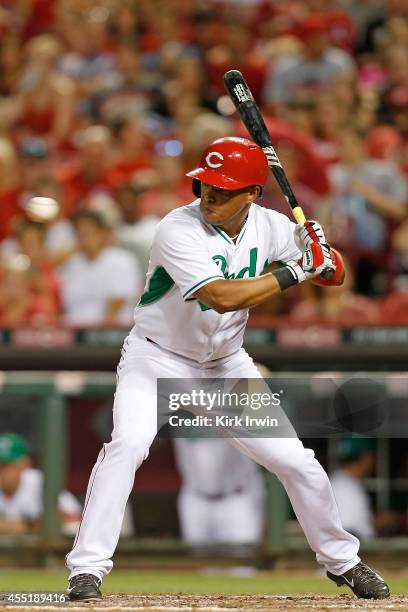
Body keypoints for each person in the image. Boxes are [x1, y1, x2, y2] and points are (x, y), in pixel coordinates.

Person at [65, 137, 389, 601]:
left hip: (224, 365)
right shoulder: (177, 228)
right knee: (127, 444)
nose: (209, 195)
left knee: (297, 462)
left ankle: (344, 562)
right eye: (205, 184)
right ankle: (86, 570)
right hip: (157, 357)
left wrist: (321, 251)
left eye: (223, 188)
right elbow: (221, 297)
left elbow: (337, 277)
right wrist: (298, 271)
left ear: (253, 193)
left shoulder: (272, 226)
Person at [0, 433, 81, 536]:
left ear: (24, 464)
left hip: (43, 550)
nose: (1, 472)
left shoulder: (41, 484)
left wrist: (27, 526)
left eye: (5, 465)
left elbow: (75, 518)